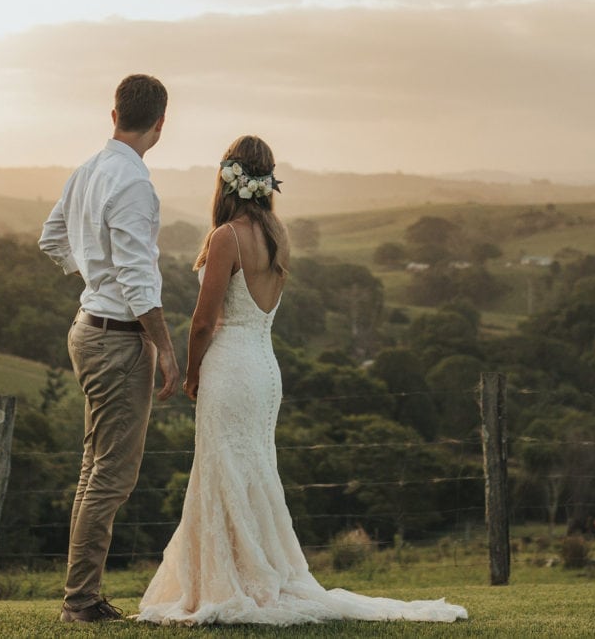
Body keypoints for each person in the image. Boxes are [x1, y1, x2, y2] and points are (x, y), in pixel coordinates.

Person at [136, 135, 467, 626]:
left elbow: (204, 321)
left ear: (227, 178)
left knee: (224, 468)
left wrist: (193, 371)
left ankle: (230, 582)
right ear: (266, 180)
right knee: (253, 471)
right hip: (265, 368)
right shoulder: (278, 234)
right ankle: (256, 572)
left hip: (230, 366)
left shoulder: (226, 236)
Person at [38, 74, 180, 623]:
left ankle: (82, 596)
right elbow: (139, 279)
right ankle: (81, 603)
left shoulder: (87, 171)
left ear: (114, 112)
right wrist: (165, 349)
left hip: (87, 328)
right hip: (118, 340)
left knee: (93, 469)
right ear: (160, 123)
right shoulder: (134, 182)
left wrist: (92, 273)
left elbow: (52, 239)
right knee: (112, 475)